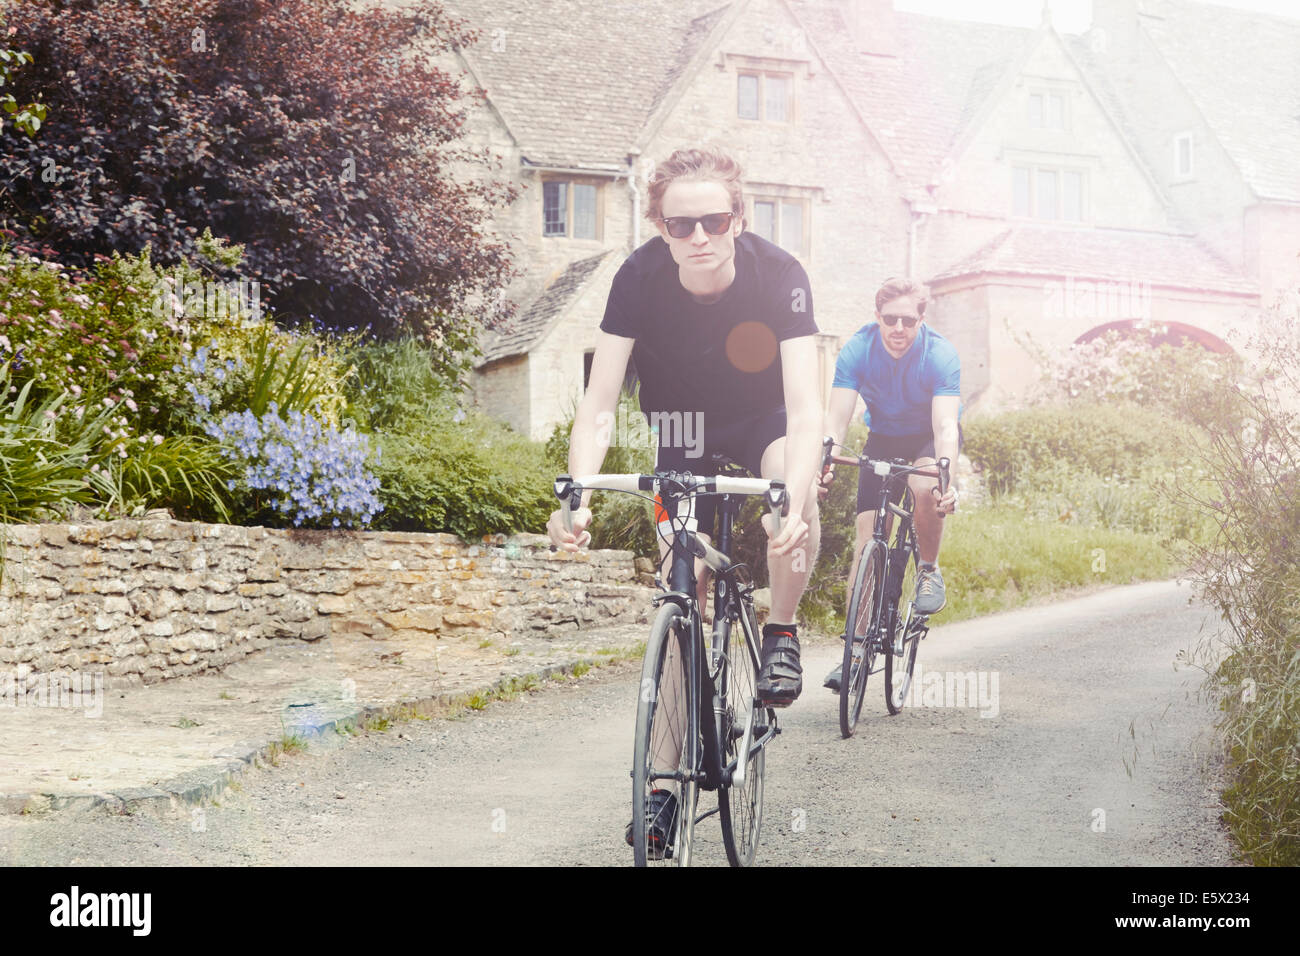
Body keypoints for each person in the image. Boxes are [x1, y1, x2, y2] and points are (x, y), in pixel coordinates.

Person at [545, 145, 822, 856]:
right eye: (680, 225)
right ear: (659, 227)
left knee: (794, 491)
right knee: (678, 580)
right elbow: (600, 403)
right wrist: (575, 493)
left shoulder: (781, 276)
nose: (698, 237)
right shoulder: (636, 279)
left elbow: (804, 405)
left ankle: (782, 633)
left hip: (764, 419)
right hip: (681, 430)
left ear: (739, 219)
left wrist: (794, 498)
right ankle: (664, 792)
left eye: (713, 221)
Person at [819, 277, 960, 692]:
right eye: (891, 320)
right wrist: (824, 458)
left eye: (908, 321)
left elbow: (946, 424)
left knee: (921, 484)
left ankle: (929, 571)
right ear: (877, 317)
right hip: (882, 437)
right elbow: (837, 418)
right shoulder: (858, 349)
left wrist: (945, 475)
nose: (899, 329)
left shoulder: (939, 354)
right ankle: (855, 652)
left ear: (921, 320)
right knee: (866, 544)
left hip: (927, 437)